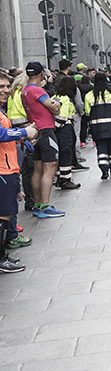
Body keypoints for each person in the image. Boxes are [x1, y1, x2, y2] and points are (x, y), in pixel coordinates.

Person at [0, 71, 36, 272]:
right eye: (1, 87)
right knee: (4, 216)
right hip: (2, 171)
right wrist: (24, 132)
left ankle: (3, 255)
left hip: (8, 169)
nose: (6, 90)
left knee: (6, 214)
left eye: (7, 86)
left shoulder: (2, 110)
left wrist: (21, 138)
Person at [20, 62, 64, 219]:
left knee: (37, 169)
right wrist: (57, 102)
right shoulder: (37, 90)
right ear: (41, 74)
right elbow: (54, 108)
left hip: (35, 131)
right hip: (46, 131)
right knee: (50, 167)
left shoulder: (24, 90)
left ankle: (38, 205)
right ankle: (45, 206)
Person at [87, 72, 111, 180]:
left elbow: (87, 114)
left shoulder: (89, 96)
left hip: (97, 127)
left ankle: (104, 170)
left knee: (101, 148)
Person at [52, 75, 81, 191]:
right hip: (65, 129)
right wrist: (57, 127)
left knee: (60, 155)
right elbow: (62, 117)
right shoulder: (67, 100)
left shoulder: (54, 97)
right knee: (66, 154)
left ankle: (60, 177)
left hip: (55, 130)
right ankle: (66, 180)